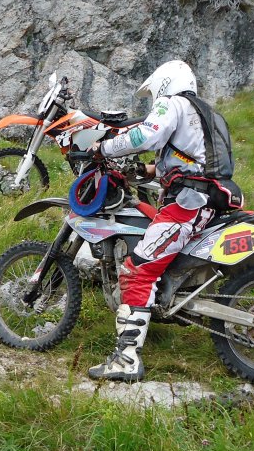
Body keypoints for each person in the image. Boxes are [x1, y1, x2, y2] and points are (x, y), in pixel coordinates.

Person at [88, 59, 237, 382]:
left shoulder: (173, 104)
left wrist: (103, 148)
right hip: (208, 201)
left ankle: (126, 360)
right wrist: (143, 171)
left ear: (164, 84)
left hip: (186, 205)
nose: (155, 100)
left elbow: (145, 135)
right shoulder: (208, 114)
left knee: (137, 270)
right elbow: (191, 162)